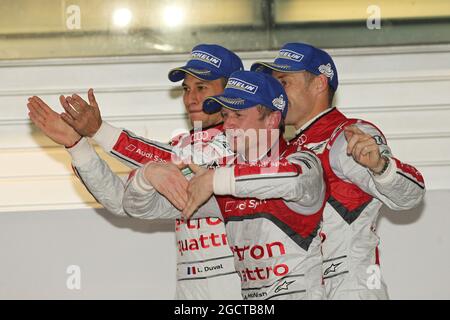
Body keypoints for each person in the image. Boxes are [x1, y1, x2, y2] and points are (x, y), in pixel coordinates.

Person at [27, 44, 243, 300]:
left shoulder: (241, 144)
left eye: (201, 87)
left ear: (230, 92)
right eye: (186, 89)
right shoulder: (183, 144)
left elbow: (175, 162)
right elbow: (122, 202)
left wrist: (100, 131)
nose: (190, 98)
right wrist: (78, 147)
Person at [122, 70, 328, 300]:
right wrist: (147, 176)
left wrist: (217, 180)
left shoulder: (303, 161)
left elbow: (290, 178)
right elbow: (137, 208)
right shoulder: (219, 180)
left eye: (238, 114)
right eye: (224, 114)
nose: (228, 124)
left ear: (272, 119)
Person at [250, 42, 426, 299]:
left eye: (284, 82)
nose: (276, 94)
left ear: (319, 84)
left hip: (349, 290)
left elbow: (410, 196)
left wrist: (381, 166)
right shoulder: (288, 150)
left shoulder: (346, 136)